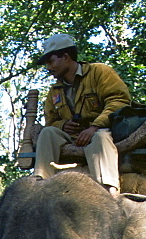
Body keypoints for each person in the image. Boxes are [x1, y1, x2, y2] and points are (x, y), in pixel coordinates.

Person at [31, 33, 131, 195]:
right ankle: (41, 185)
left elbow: (118, 101)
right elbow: (51, 120)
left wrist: (95, 126)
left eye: (51, 61)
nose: (48, 68)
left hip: (103, 131)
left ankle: (108, 190)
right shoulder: (54, 91)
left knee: (101, 138)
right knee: (47, 132)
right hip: (72, 137)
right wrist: (63, 125)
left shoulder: (99, 72)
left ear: (65, 57)